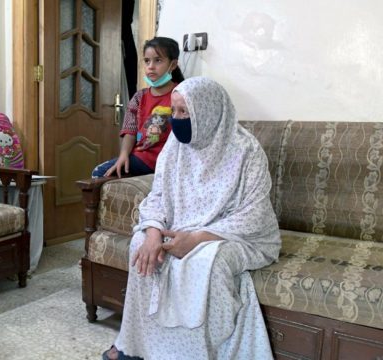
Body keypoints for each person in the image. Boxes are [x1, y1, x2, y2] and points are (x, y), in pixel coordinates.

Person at [102, 77, 281, 359]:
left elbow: (254, 214)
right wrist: (152, 232)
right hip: (181, 227)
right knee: (141, 245)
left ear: (207, 111)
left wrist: (197, 238)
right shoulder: (175, 146)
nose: (177, 119)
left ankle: (197, 352)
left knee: (205, 261)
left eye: (184, 112)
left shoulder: (246, 150)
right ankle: (139, 343)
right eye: (174, 111)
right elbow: (158, 195)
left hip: (234, 236)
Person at [92, 37, 185, 178]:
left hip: (167, 160)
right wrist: (124, 155)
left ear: (173, 65)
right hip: (141, 157)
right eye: (147, 61)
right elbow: (130, 130)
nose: (151, 66)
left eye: (158, 60)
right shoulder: (139, 97)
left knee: (99, 172)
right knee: (100, 172)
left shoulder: (182, 93)